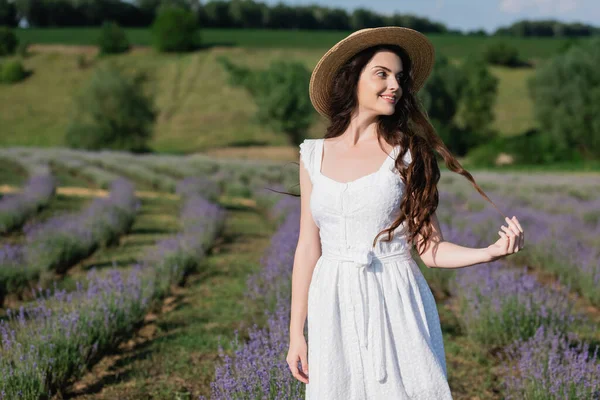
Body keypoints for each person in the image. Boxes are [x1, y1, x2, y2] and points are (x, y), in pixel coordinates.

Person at [286, 27, 525, 399]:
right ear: (352, 80)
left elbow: (431, 250)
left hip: (395, 295)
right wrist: (295, 334)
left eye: (399, 77)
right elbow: (307, 247)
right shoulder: (313, 155)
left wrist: (489, 252)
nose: (394, 85)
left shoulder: (409, 155)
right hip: (331, 299)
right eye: (381, 74)